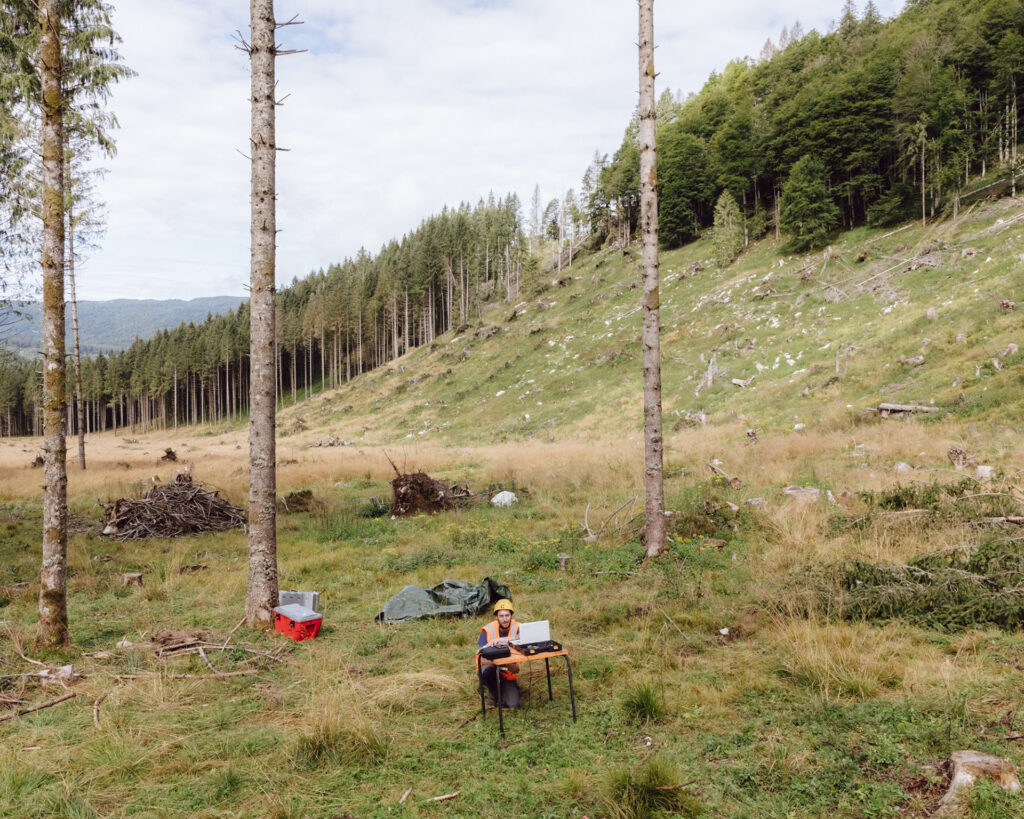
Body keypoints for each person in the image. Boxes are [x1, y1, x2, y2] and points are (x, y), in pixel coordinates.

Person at [476, 598, 521, 708]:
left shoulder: (518, 627)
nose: (505, 619)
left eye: (507, 615)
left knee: (513, 704)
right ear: (497, 617)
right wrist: (503, 663)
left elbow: (527, 637)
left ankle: (505, 690)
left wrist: (504, 640)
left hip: (509, 673)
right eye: (501, 616)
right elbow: (481, 659)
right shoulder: (488, 630)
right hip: (492, 668)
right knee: (486, 671)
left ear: (511, 616)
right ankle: (492, 693)